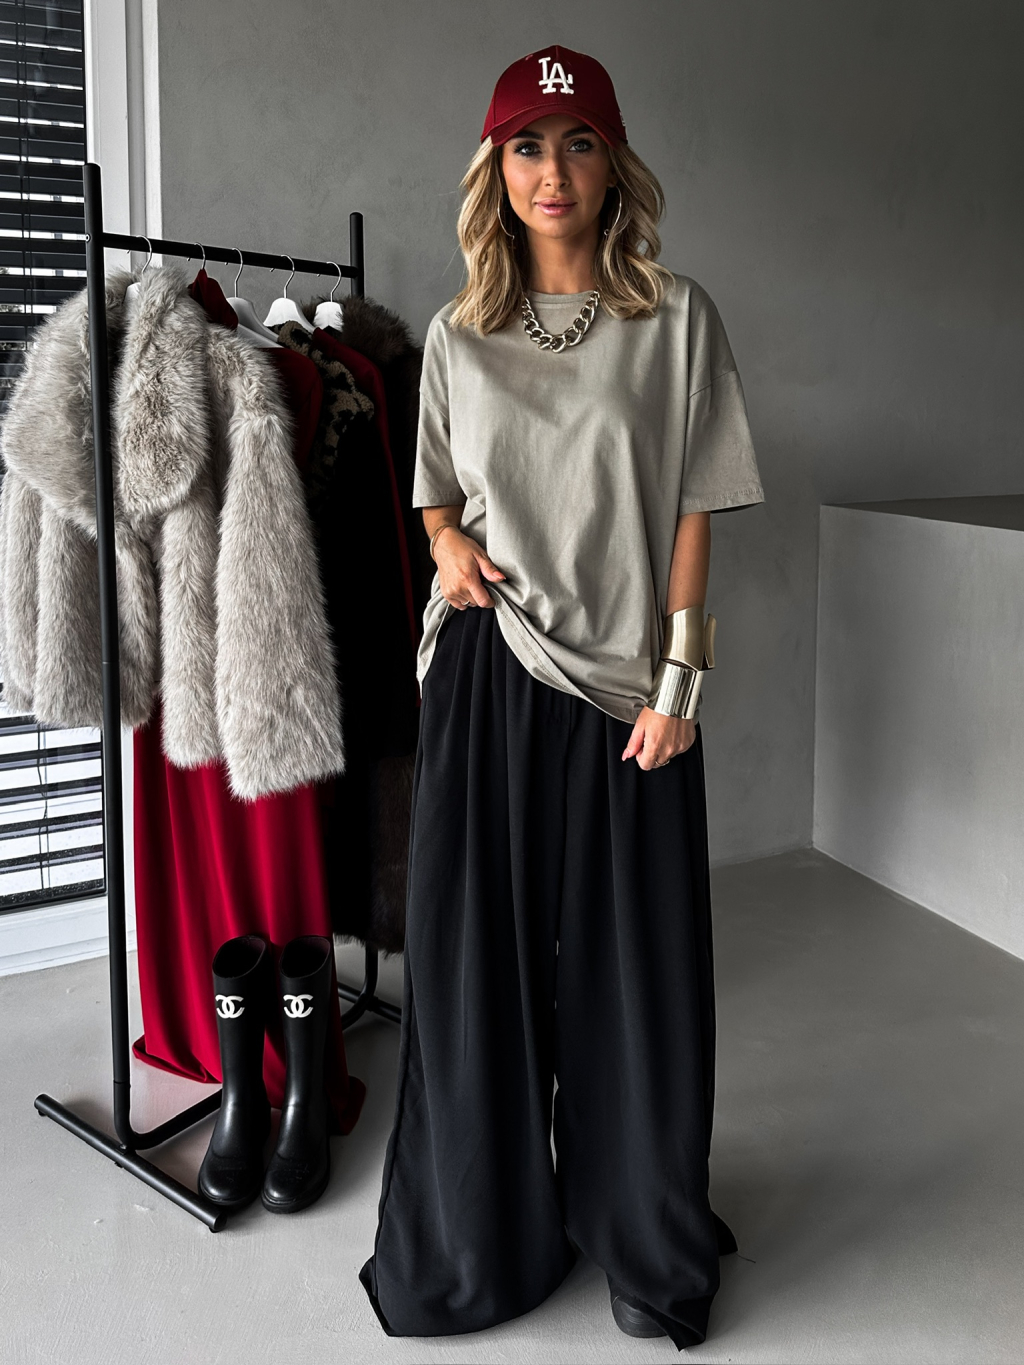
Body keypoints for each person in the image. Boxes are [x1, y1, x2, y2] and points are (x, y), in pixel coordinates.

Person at [360, 44, 764, 1351]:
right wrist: (445, 547)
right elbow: (434, 491)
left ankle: (642, 1232)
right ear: (496, 169)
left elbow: (695, 509)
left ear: (613, 163)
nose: (553, 170)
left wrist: (682, 681)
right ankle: (486, 1239)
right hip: (487, 673)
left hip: (629, 692)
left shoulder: (677, 320)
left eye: (578, 141)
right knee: (474, 971)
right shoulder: (457, 335)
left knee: (634, 977)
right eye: (527, 146)